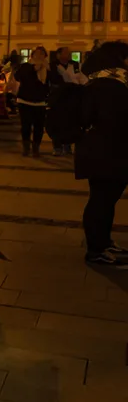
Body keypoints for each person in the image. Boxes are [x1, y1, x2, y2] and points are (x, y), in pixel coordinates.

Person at [74, 40, 128, 267]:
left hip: (103, 151)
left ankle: (103, 242)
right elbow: (113, 121)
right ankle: (96, 250)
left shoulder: (102, 81)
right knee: (101, 200)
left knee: (105, 199)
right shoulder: (110, 85)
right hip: (107, 152)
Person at [15, 46, 51, 157]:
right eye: (37, 53)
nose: (39, 55)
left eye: (42, 54)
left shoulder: (48, 69)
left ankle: (36, 148)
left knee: (39, 127)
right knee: (26, 126)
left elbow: (52, 82)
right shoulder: (26, 66)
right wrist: (34, 69)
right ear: (32, 55)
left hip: (40, 101)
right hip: (25, 101)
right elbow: (18, 77)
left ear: (45, 56)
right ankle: (26, 148)